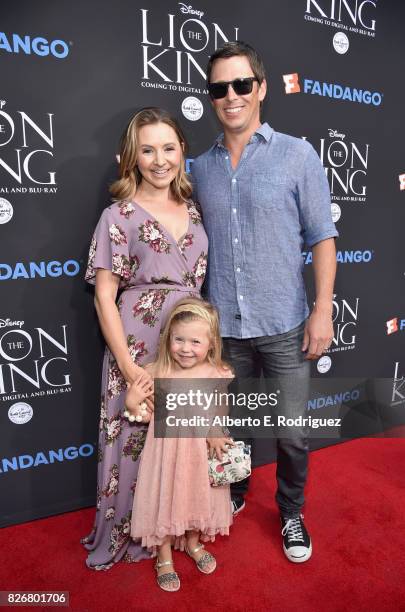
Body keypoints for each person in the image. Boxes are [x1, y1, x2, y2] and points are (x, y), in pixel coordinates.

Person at [191, 42, 338, 563]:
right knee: (230, 429)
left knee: (293, 432)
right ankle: (233, 492)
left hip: (284, 324)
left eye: (241, 85)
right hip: (223, 329)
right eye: (218, 88)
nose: (230, 96)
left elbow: (322, 236)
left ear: (261, 88)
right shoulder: (197, 168)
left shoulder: (298, 154)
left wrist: (323, 309)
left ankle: (292, 511)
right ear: (210, 97)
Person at [81, 107, 208, 570]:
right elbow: (104, 297)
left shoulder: (193, 210)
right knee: (135, 441)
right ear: (132, 157)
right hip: (136, 345)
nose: (160, 160)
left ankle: (178, 533)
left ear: (182, 152)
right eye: (148, 150)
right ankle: (132, 533)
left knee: (184, 445)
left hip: (190, 346)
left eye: (169, 148)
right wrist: (129, 367)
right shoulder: (118, 214)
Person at [130, 297, 234, 592]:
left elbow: (220, 409)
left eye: (195, 342)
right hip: (166, 453)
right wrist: (132, 400)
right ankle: (163, 555)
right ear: (168, 339)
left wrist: (215, 431)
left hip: (200, 451)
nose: (186, 348)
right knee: (166, 498)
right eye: (179, 340)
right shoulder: (157, 372)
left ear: (211, 343)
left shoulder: (216, 373)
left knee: (196, 496)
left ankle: (192, 542)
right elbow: (141, 415)